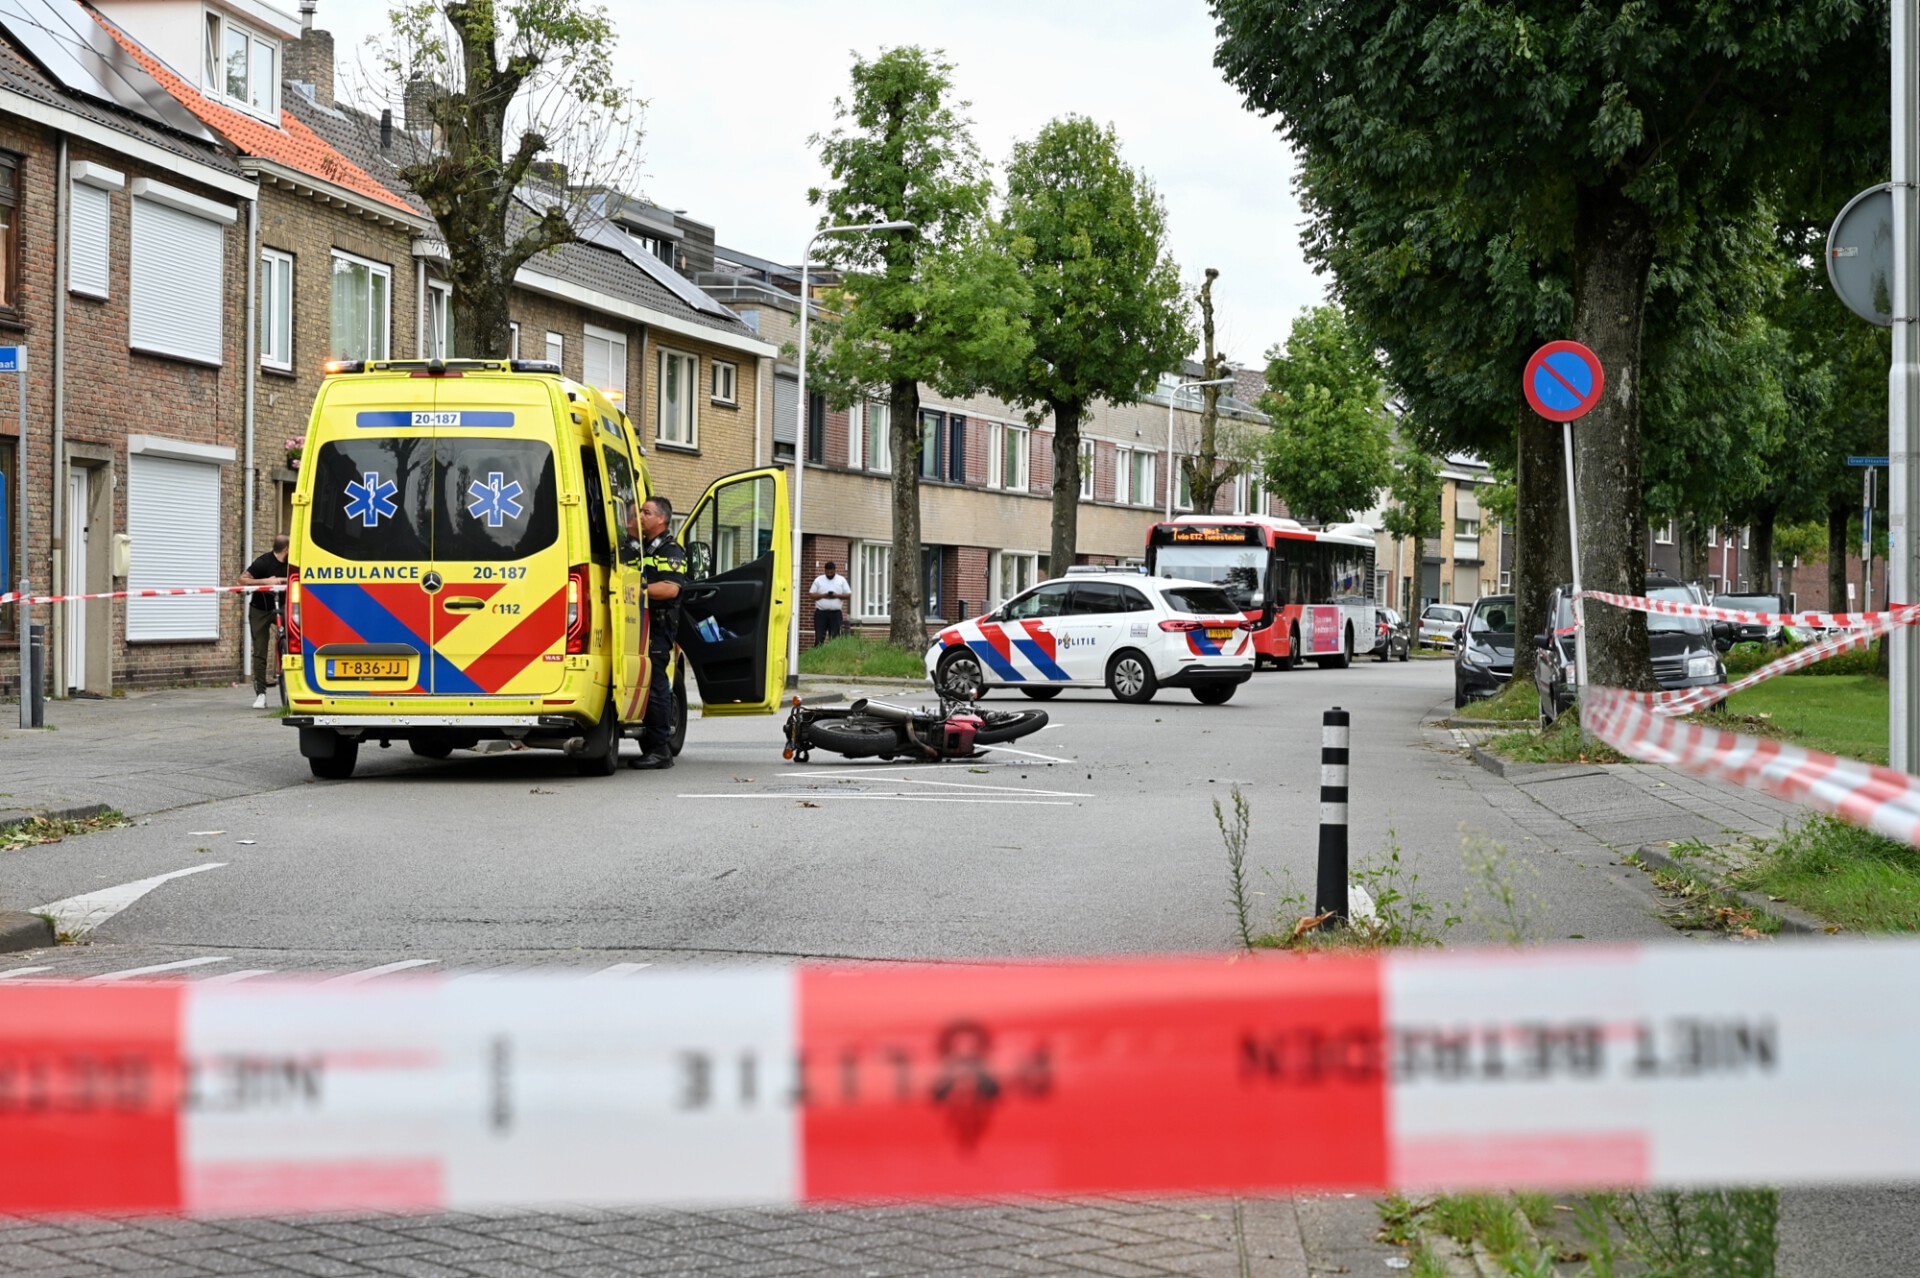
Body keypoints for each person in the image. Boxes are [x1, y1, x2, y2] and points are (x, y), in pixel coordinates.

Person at [628, 496, 688, 770]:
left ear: (662, 519)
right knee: (647, 683)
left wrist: (635, 589)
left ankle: (660, 749)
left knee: (656, 686)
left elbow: (670, 588)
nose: (641, 516)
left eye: (647, 512)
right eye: (640, 511)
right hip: (640, 626)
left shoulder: (671, 551)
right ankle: (653, 744)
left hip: (660, 629)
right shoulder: (642, 548)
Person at [240, 534, 289, 709]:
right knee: (260, 650)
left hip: (282, 607)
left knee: (293, 642)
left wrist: (283, 580)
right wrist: (266, 581)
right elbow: (242, 579)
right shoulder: (263, 562)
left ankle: (292, 687)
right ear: (286, 549)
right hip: (260, 609)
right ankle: (261, 694)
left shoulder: (293, 563)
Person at [809, 559, 852, 647]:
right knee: (819, 637)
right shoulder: (819, 580)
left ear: (834, 570)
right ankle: (818, 655)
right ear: (825, 570)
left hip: (835, 614)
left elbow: (848, 595)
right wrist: (823, 596)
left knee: (835, 637)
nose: (829, 574)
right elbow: (811, 594)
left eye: (831, 572)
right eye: (827, 572)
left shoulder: (841, 580)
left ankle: (834, 657)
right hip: (821, 613)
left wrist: (836, 595)